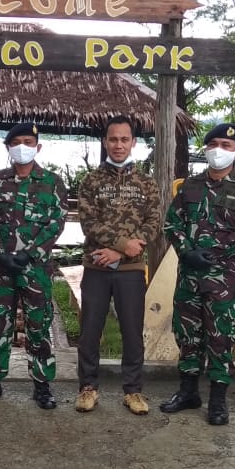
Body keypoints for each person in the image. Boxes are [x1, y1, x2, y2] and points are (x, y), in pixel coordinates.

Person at [160, 123, 235, 425]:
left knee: (222, 337)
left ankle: (218, 400)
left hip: (224, 280)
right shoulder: (189, 187)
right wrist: (186, 251)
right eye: (214, 143)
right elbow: (171, 223)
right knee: (187, 334)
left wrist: (213, 252)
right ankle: (188, 392)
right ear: (205, 148)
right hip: (189, 275)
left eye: (227, 146)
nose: (220, 150)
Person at [0, 123, 67, 409]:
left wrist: (31, 253)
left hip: (35, 269)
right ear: (8, 147)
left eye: (28, 141)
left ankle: (42, 385)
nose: (22, 146)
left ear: (37, 146)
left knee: (38, 325)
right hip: (2, 269)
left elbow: (56, 222)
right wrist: (0, 253)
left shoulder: (52, 182)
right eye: (17, 142)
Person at [73, 115, 162, 415]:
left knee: (132, 332)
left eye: (125, 139)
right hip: (97, 267)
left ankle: (133, 391)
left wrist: (121, 254)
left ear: (133, 142)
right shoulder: (91, 182)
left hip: (131, 271)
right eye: (113, 139)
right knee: (90, 330)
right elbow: (89, 223)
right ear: (105, 141)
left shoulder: (146, 183)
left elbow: (153, 222)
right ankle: (88, 388)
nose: (119, 145)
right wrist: (122, 246)